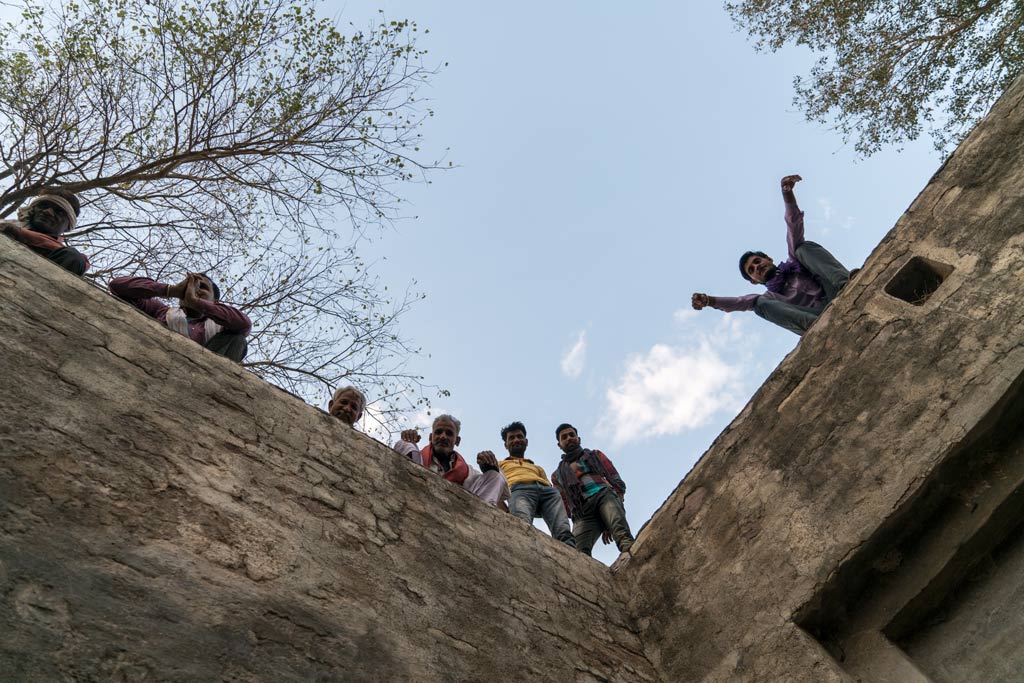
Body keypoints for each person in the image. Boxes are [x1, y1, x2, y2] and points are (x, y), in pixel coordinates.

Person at [691, 174, 852, 336]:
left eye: (757, 261)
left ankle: (847, 284)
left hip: (834, 291)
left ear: (769, 259)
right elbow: (740, 302)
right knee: (759, 303)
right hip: (814, 318)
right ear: (754, 281)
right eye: (751, 270)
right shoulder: (770, 298)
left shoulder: (794, 263)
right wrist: (709, 301)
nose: (757, 267)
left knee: (802, 248)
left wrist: (787, 194)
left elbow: (793, 226)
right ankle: (819, 329)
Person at [108, 272, 251, 361]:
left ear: (216, 302)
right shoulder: (163, 312)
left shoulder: (223, 325)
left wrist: (197, 303)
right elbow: (117, 286)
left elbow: (244, 324)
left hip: (205, 375)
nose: (194, 290)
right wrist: (171, 290)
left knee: (238, 340)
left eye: (202, 288)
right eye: (189, 286)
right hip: (156, 359)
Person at [551, 423, 634, 556]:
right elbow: (564, 502)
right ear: (559, 445)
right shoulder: (557, 475)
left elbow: (614, 477)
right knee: (577, 551)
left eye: (572, 435)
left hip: (604, 494)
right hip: (582, 511)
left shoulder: (595, 455)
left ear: (579, 439)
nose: (569, 438)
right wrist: (575, 513)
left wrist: (616, 497)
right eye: (564, 437)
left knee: (619, 528)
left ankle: (630, 552)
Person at [393, 415, 509, 508]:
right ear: (430, 437)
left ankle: (481, 517)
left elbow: (503, 493)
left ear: (457, 441)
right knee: (405, 444)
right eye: (438, 432)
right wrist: (408, 438)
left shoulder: (467, 472)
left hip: (456, 512)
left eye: (449, 433)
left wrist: (489, 468)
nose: (443, 436)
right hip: (416, 495)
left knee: (495, 475)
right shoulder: (419, 458)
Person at [495, 421, 575, 548]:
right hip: (519, 489)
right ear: (506, 444)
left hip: (546, 491)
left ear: (526, 442)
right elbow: (494, 489)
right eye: (512, 438)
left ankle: (570, 548)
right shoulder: (500, 464)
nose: (516, 440)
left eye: (520, 437)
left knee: (562, 528)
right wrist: (505, 510)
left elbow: (548, 485)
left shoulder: (537, 467)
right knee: (521, 525)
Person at [0, 189, 89, 275]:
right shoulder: (4, 225)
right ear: (32, 210)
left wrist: (21, 233)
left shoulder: (66, 257)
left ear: (68, 226)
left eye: (59, 212)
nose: (48, 211)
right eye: (44, 205)